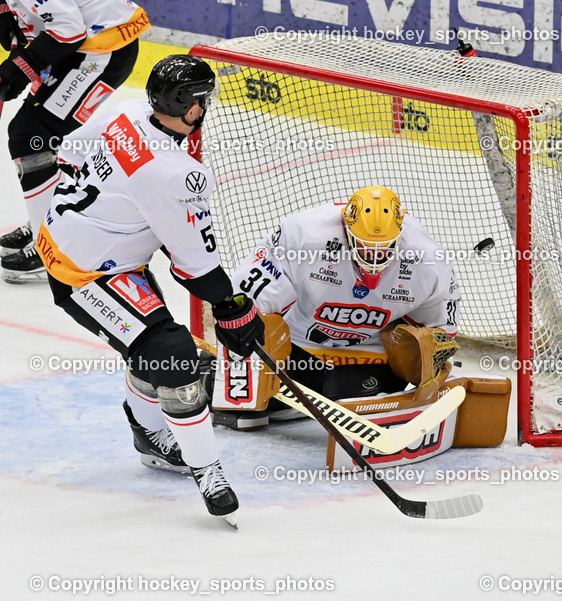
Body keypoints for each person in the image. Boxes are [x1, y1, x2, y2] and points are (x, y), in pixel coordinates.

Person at [37, 55, 264, 528]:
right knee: (176, 356)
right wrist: (233, 309)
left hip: (78, 242)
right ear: (187, 105)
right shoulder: (175, 173)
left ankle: (147, 430)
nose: (206, 108)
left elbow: (69, 154)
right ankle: (207, 470)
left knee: (155, 347)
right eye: (203, 100)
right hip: (86, 272)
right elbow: (196, 268)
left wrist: (120, 216)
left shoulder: (122, 112)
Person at [211, 185, 460, 429]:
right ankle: (219, 378)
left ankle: (300, 399)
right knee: (244, 382)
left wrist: (429, 364)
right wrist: (241, 366)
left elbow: (440, 334)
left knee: (363, 390)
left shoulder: (428, 261)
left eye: (384, 247)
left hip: (370, 354)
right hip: (299, 348)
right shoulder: (305, 237)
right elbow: (245, 307)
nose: (374, 255)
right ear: (347, 229)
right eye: (364, 245)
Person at [0, 0, 149, 282]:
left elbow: (67, 29)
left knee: (32, 136)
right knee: (35, 135)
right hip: (84, 43)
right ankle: (48, 224)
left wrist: (21, 67)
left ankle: (55, 250)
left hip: (100, 48)